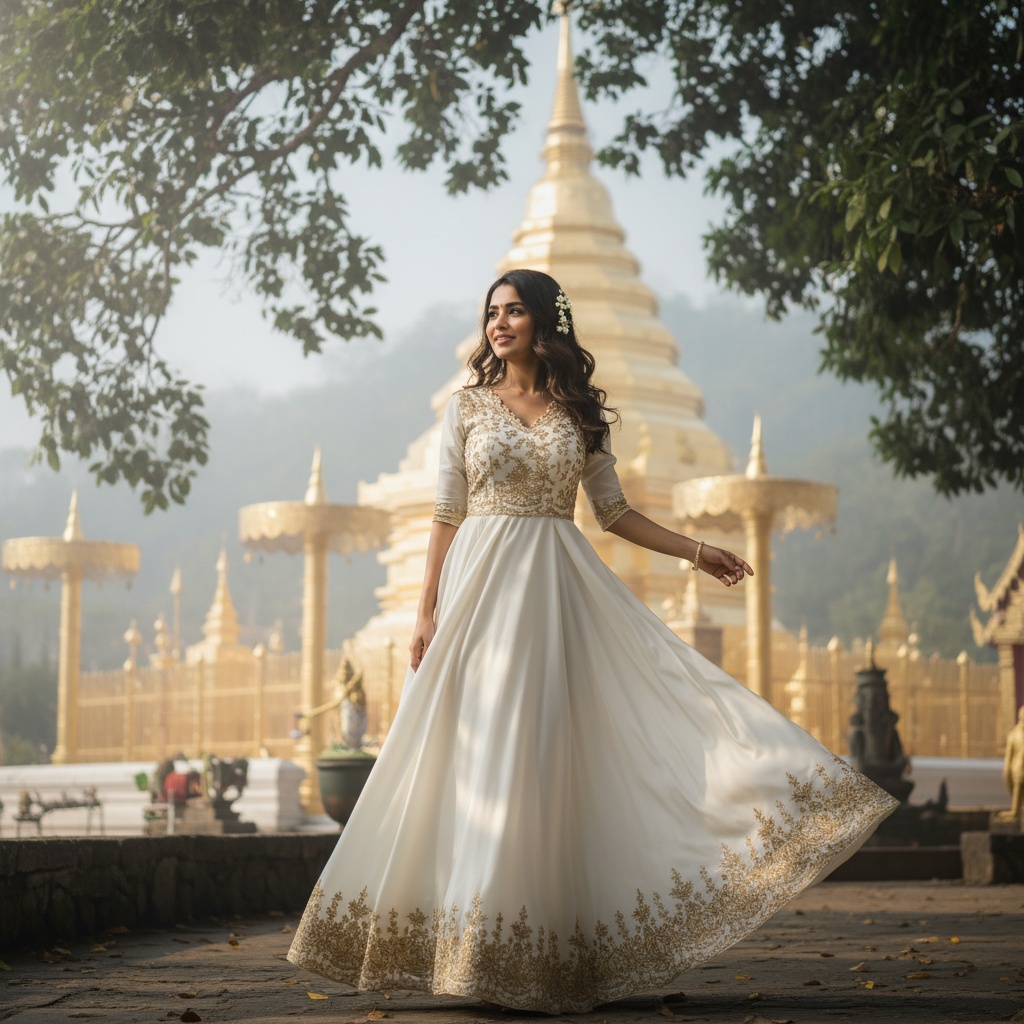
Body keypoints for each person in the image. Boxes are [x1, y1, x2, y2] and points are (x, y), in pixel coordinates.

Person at [287, 269, 899, 1013]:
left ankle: (538, 957)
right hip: (477, 595)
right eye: (491, 313)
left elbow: (614, 513)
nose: (498, 323)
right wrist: (425, 610)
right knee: (476, 752)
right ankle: (474, 952)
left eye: (515, 311)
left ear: (546, 324)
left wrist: (696, 551)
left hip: (554, 596)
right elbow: (446, 512)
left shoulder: (577, 414)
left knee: (540, 757)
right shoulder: (467, 406)